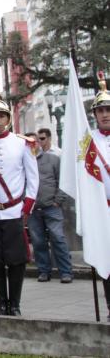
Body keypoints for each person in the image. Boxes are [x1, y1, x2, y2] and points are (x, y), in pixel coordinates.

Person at [0, 92, 39, 316]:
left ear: (8, 119)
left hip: (14, 209)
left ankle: (14, 303)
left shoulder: (22, 144)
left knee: (16, 261)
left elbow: (32, 177)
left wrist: (27, 206)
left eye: (1, 115)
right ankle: (2, 302)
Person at [26, 130, 71, 283]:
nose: (32, 144)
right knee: (38, 241)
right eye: (29, 142)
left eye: (35, 141)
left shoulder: (53, 159)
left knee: (58, 238)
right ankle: (44, 271)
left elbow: (63, 181)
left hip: (51, 206)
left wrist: (58, 201)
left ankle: (66, 272)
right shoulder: (23, 162)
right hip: (33, 208)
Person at [88, 77, 110, 318]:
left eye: (108, 110)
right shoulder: (88, 141)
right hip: (102, 209)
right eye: (101, 110)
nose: (105, 115)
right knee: (107, 262)